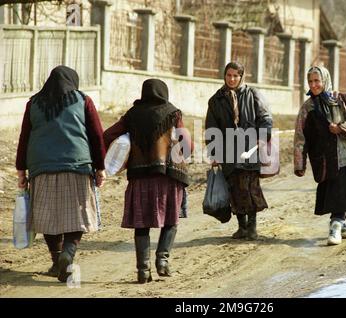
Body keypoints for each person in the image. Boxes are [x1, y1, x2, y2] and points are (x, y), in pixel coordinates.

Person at [16, 65, 106, 282]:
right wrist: (100, 167)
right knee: (78, 213)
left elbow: (24, 137)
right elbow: (96, 135)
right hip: (77, 164)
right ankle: (68, 252)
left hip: (41, 167)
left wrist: (21, 170)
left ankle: (57, 261)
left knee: (47, 216)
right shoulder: (83, 100)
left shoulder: (34, 103)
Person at [103, 79, 192, 284]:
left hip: (140, 177)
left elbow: (107, 135)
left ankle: (143, 271)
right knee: (171, 220)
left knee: (141, 224)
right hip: (169, 176)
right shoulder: (173, 112)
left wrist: (121, 152)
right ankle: (163, 261)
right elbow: (187, 146)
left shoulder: (132, 115)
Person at [294, 66, 346, 245]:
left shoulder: (341, 99)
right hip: (323, 160)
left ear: (325, 80)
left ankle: (336, 227)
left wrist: (341, 128)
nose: (314, 85)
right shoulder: (307, 108)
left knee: (342, 191)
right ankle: (343, 222)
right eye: (310, 81)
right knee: (333, 192)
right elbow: (300, 136)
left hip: (344, 156)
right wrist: (299, 163)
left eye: (317, 81)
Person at [205, 61, 273, 240]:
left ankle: (252, 227)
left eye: (236, 75)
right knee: (234, 188)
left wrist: (262, 136)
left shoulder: (253, 95)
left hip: (249, 148)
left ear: (241, 76)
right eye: (229, 75)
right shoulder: (216, 100)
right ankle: (241, 226)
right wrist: (214, 153)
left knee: (250, 188)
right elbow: (211, 129)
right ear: (224, 76)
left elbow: (265, 118)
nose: (232, 79)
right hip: (228, 151)